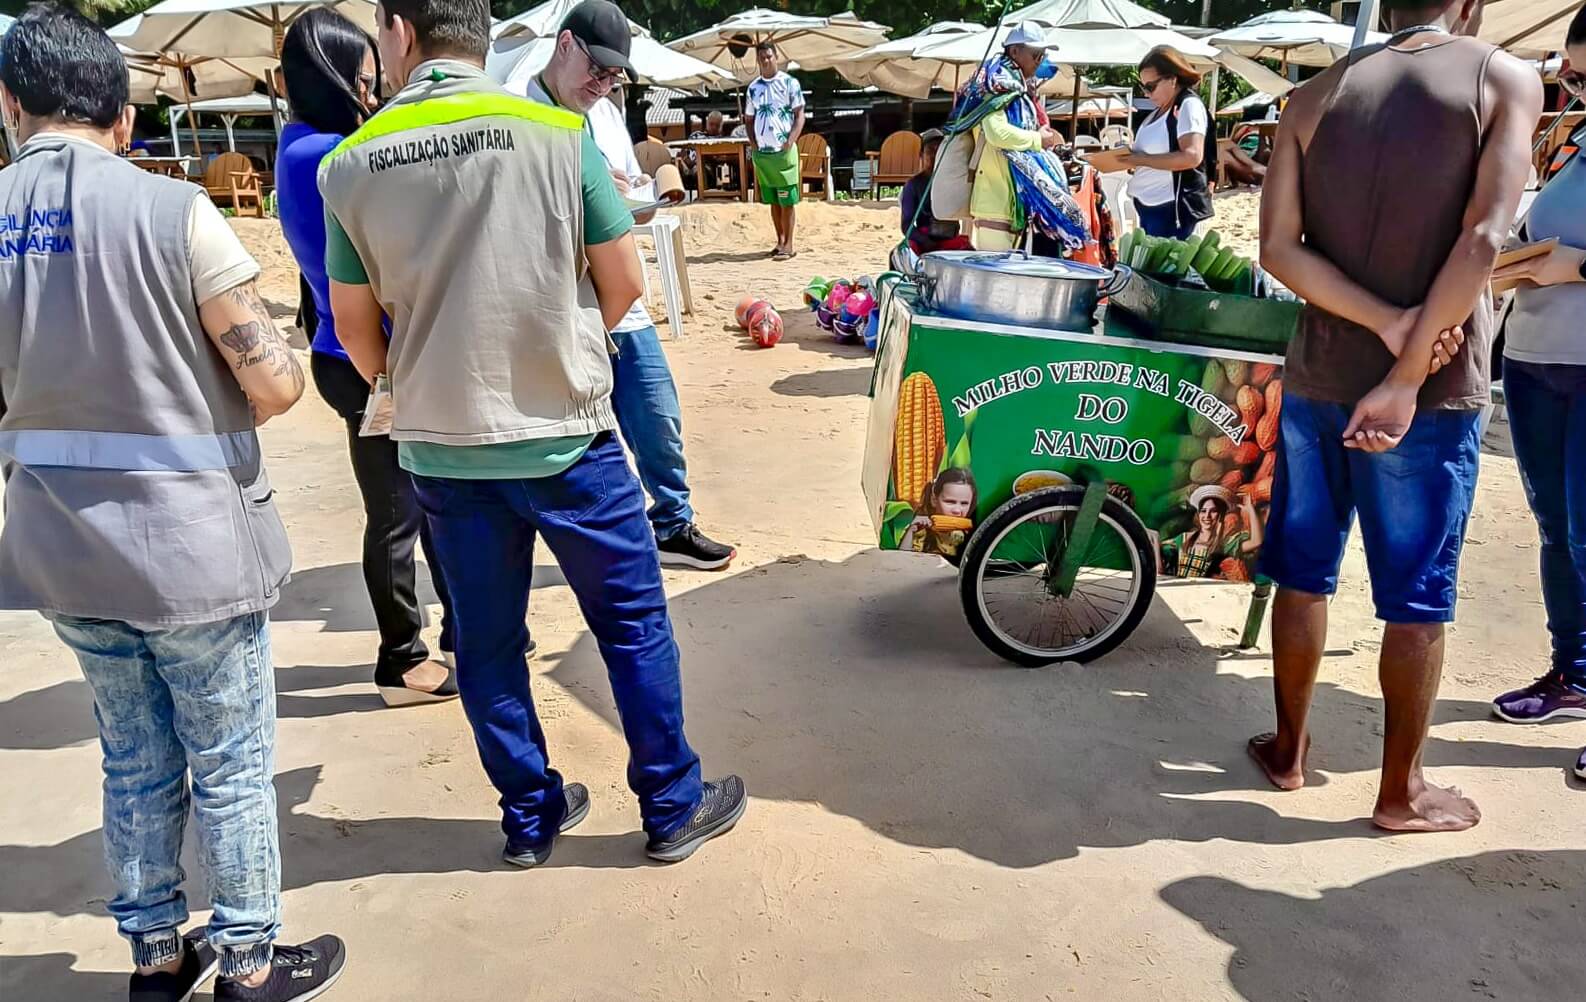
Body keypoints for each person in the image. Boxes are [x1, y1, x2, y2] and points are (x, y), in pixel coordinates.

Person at [322, 0, 745, 866]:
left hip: (443, 449)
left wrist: (426, 378)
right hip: (567, 436)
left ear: (398, 31)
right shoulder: (556, 135)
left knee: (485, 642)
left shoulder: (350, 165)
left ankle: (529, 817)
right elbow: (623, 284)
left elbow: (358, 335)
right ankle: (670, 804)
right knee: (630, 623)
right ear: (478, 34)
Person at [0, 8, 347, 1001]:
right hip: (192, 546)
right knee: (230, 760)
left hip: (59, 551)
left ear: (12, 103)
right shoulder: (171, 209)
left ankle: (157, 956)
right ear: (118, 110)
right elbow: (275, 384)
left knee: (132, 755)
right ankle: (244, 961)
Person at [1253, 0, 1540, 831]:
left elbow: (1278, 249)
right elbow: (1484, 235)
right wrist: (1409, 366)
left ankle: (1288, 751)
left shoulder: (1312, 98)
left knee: (1302, 571)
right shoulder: (1503, 78)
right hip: (1430, 394)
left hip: (1317, 375)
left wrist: (1378, 321)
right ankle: (1399, 793)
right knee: (1417, 594)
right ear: (1470, 3)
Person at [276, 6, 465, 708]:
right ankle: (401, 656)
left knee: (421, 495)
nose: (371, 85)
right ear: (329, 76)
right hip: (359, 355)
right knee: (396, 509)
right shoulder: (320, 155)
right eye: (361, 75)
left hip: (364, 347)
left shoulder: (312, 144)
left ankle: (457, 629)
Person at [513, 0, 735, 570]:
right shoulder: (517, 112)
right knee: (571, 434)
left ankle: (672, 522)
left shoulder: (607, 113)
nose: (604, 82)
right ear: (565, 45)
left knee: (657, 411)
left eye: (615, 75)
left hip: (617, 292)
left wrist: (627, 189)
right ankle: (581, 542)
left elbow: (617, 191)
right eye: (598, 69)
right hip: (558, 299)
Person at [1484, 4, 1586, 780]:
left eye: (1583, 76)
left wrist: (1574, 267)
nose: (1573, 88)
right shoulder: (1574, 142)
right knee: (1556, 529)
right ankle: (1573, 673)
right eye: (1571, 75)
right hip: (1533, 360)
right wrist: (1520, 255)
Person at [948, 22, 1085, 253]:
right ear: (1014, 51)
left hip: (1008, 202)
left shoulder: (1012, 87)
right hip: (994, 201)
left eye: (1043, 55)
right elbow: (996, 133)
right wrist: (1037, 139)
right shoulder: (997, 85)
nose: (1040, 60)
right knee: (997, 281)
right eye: (1036, 54)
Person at [1119, 45, 1211, 240]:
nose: (1146, 93)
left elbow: (1192, 156)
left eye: (1150, 86)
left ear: (1172, 79)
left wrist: (1142, 160)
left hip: (1173, 210)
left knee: (1167, 269)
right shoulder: (1160, 110)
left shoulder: (1188, 105)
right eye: (1143, 87)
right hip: (1151, 207)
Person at [744, 41, 804, 260]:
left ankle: (789, 244)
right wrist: (752, 141)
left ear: (776, 57)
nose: (766, 61)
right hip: (763, 153)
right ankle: (779, 241)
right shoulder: (753, 88)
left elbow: (800, 115)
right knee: (772, 199)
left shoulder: (790, 83)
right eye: (762, 58)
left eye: (769, 56)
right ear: (758, 60)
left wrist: (791, 140)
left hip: (784, 150)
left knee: (787, 198)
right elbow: (748, 118)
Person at [1157, 486, 1263, 580]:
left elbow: (1256, 542)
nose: (1207, 516)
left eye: (1213, 511)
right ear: (1198, 515)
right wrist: (1154, 538)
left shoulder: (1224, 545)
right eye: (1203, 511)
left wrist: (1250, 510)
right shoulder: (1185, 538)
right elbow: (1161, 549)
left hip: (1204, 595)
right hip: (1177, 591)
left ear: (1221, 515)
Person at [898, 128, 971, 255]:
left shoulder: (954, 180)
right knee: (905, 252)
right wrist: (925, 241)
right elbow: (907, 225)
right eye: (930, 150)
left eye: (939, 151)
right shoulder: (913, 185)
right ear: (921, 155)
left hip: (949, 238)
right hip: (924, 240)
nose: (935, 155)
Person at [901, 467, 977, 558]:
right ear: (934, 500)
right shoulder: (921, 531)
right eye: (950, 502)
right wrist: (911, 531)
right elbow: (902, 563)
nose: (957, 510)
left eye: (964, 503)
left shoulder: (972, 535)